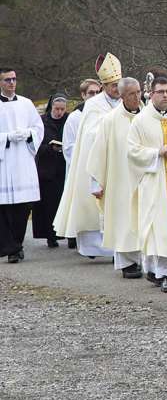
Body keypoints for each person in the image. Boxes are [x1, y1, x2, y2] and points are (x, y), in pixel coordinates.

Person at [54, 53, 123, 259]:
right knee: (93, 210)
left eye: (118, 84)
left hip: (118, 161)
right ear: (104, 85)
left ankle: (119, 248)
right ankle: (96, 248)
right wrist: (112, 122)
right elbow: (92, 134)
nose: (116, 89)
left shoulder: (123, 102)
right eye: (112, 85)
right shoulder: (94, 105)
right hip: (97, 162)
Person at [128, 76, 167, 293]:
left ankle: (155, 268)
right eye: (160, 92)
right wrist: (156, 153)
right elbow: (132, 150)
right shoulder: (140, 121)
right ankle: (165, 273)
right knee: (158, 228)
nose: (165, 95)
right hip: (153, 182)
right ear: (151, 94)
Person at [85, 78, 143, 278]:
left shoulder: (147, 116)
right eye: (131, 94)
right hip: (120, 180)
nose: (137, 97)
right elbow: (98, 153)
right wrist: (97, 182)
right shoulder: (110, 120)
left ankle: (147, 261)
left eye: (139, 92)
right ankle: (127, 263)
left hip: (145, 178)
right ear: (122, 96)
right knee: (123, 220)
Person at [0, 68, 44, 263]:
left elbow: (38, 127)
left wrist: (28, 134)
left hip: (23, 161)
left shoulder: (26, 104)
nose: (12, 83)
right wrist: (7, 137)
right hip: (4, 161)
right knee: (4, 208)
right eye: (7, 80)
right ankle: (12, 247)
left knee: (23, 206)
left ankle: (17, 243)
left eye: (14, 79)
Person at [32, 94, 68, 248]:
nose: (59, 112)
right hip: (47, 168)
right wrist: (50, 148)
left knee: (64, 202)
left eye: (62, 109)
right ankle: (50, 235)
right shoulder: (42, 121)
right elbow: (36, 144)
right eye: (56, 109)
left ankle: (69, 236)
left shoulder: (69, 120)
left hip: (64, 166)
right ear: (51, 107)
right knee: (48, 204)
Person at [63, 79, 101, 179]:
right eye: (91, 93)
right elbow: (68, 148)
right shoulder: (74, 118)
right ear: (83, 95)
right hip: (81, 170)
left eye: (98, 92)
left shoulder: (105, 114)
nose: (95, 96)